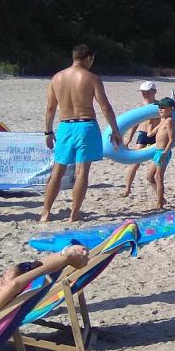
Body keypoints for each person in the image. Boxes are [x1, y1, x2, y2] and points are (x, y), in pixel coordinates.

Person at [40, 45, 121, 223]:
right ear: (88, 58)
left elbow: (50, 108)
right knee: (82, 171)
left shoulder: (57, 78)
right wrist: (115, 131)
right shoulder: (91, 78)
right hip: (85, 125)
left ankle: (45, 213)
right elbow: (105, 107)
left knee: (57, 171)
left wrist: (48, 131)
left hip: (64, 126)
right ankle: (74, 214)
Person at [121, 81, 159, 197]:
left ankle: (159, 195)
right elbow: (135, 124)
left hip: (156, 136)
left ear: (154, 92)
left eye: (147, 92)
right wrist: (129, 138)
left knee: (157, 166)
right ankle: (127, 188)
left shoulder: (160, 105)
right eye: (143, 92)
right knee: (135, 163)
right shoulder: (140, 106)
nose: (145, 94)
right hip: (143, 134)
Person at [146, 98, 175, 210]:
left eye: (163, 108)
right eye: (159, 107)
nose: (160, 109)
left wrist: (165, 152)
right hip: (157, 152)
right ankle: (161, 198)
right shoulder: (162, 120)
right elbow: (150, 134)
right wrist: (150, 123)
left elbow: (171, 139)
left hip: (163, 152)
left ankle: (160, 204)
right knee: (149, 177)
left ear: (171, 109)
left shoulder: (169, 121)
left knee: (159, 177)